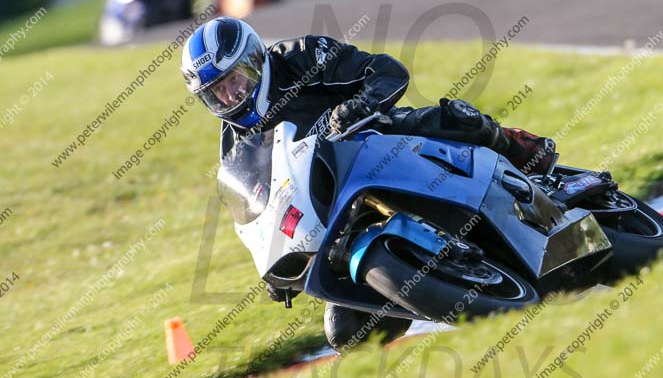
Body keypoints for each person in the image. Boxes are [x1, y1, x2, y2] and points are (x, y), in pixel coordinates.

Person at [180, 17, 556, 307]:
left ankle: (517, 150)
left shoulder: (302, 56)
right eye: (216, 92)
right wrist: (273, 272)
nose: (231, 96)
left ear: (254, 60)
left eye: (234, 79)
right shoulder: (234, 142)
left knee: (456, 119)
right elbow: (255, 210)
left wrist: (359, 105)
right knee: (343, 328)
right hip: (332, 205)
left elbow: (387, 71)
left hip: (371, 142)